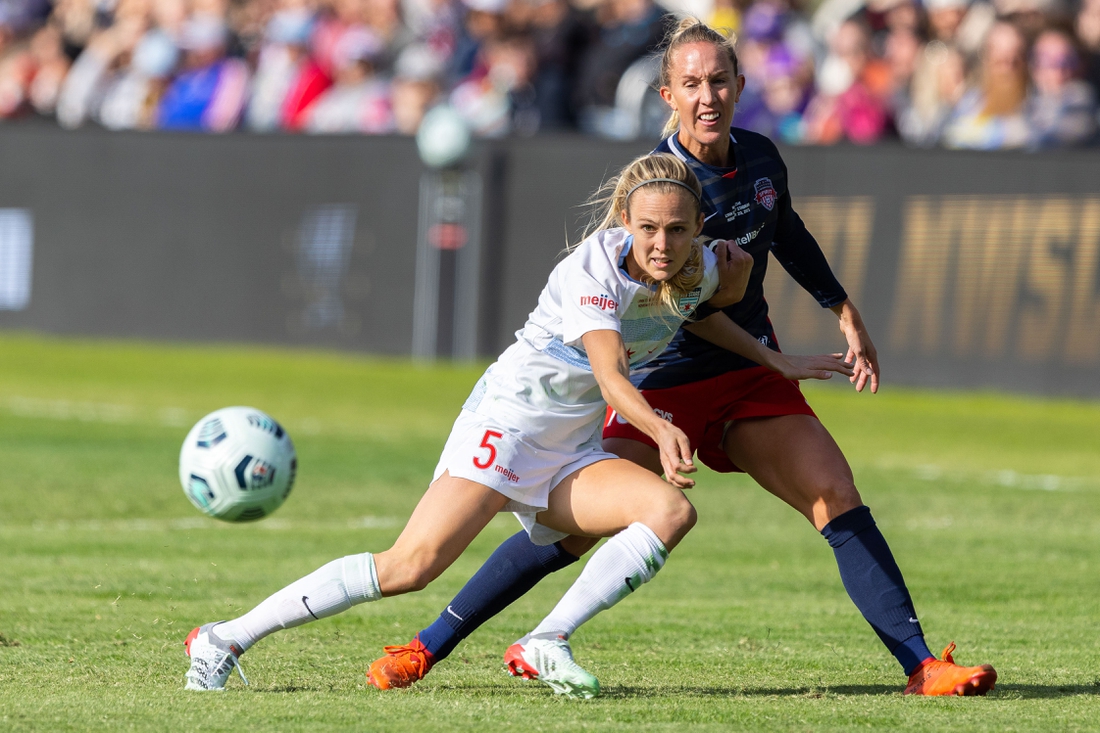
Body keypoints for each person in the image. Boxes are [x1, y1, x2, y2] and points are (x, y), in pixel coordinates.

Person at [369, 17, 998, 699]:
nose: (707, 95)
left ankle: (922, 665)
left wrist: (841, 307)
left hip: (748, 375)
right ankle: (426, 645)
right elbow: (652, 303)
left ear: (740, 86)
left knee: (836, 495)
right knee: (569, 534)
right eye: (691, 83)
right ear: (667, 94)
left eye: (719, 80)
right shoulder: (659, 191)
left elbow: (786, 231)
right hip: (663, 382)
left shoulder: (760, 158)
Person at [183, 152, 850, 693]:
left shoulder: (699, 264)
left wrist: (772, 357)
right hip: (508, 424)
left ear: (697, 226)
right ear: (625, 218)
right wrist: (661, 428)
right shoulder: (592, 269)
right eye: (647, 228)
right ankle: (223, 637)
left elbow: (700, 309)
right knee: (409, 566)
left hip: (569, 444)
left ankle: (545, 639)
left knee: (669, 512)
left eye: (678, 229)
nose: (662, 242)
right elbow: (614, 373)